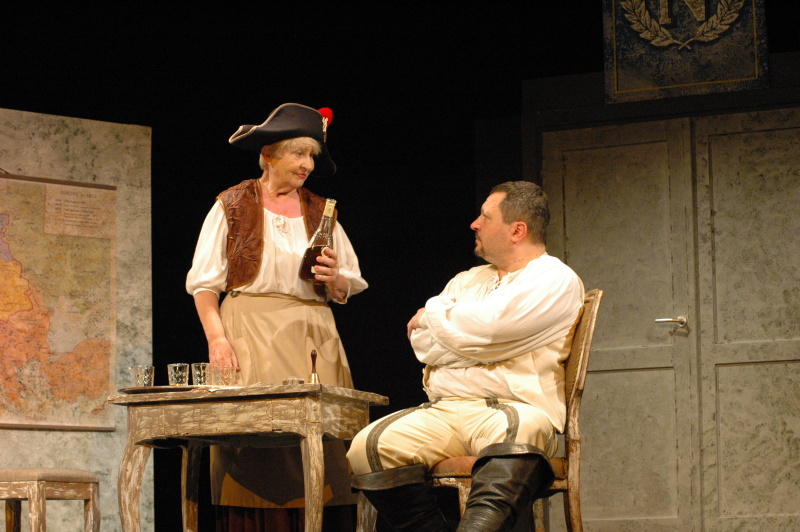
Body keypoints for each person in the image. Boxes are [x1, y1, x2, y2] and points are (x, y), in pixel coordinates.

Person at [347, 181, 584, 531]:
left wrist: (434, 314)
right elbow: (424, 345)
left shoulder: (554, 280)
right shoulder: (465, 281)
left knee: (519, 435)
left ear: (517, 230)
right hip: (445, 409)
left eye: (486, 217)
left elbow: (493, 328)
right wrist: (472, 338)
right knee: (369, 447)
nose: (475, 224)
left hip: (515, 407)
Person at [186, 103, 368, 531]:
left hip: (314, 334)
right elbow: (204, 284)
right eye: (298, 153)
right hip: (251, 329)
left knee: (324, 447)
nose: (307, 165)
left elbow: (349, 284)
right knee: (254, 441)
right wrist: (217, 339)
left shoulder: (322, 211)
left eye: (312, 156)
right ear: (268, 154)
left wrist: (335, 280)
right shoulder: (232, 204)